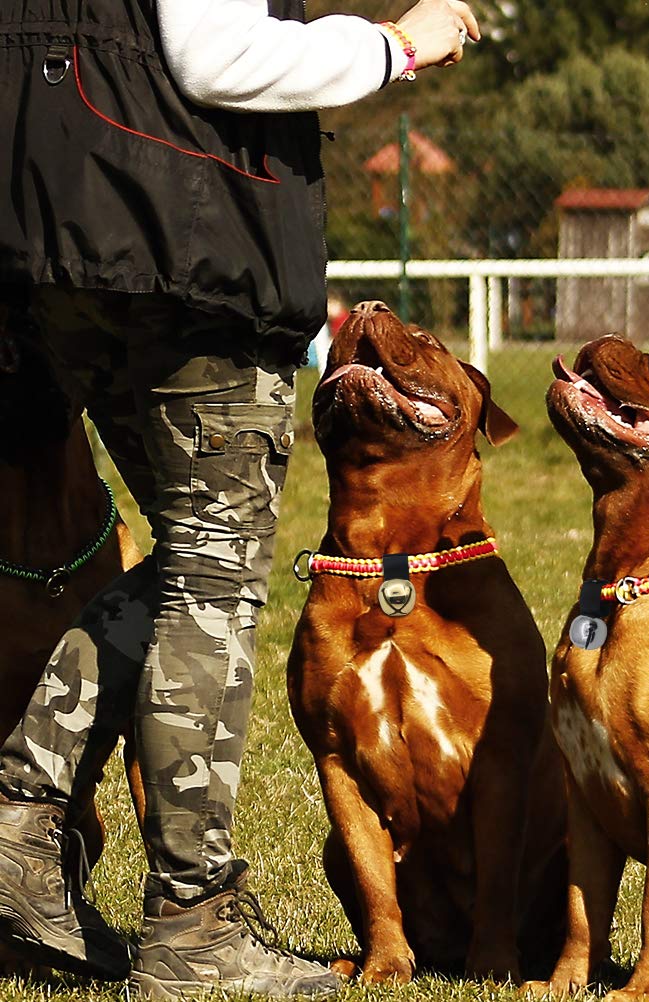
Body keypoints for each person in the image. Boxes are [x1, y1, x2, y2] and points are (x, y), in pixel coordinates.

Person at [0, 0, 478, 997]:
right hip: (176, 242)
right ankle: (192, 926)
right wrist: (393, 47)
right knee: (212, 582)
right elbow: (218, 56)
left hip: (47, 231)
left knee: (190, 565)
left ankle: (20, 831)